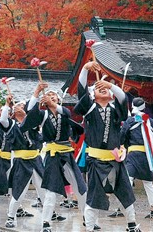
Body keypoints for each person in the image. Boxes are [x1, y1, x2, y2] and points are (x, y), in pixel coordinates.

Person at [74, 60, 140, 232]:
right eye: (97, 88)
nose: (102, 89)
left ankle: (132, 225)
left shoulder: (115, 111)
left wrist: (110, 86)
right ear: (92, 95)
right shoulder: (89, 109)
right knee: (94, 195)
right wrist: (84, 69)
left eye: (104, 88)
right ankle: (89, 227)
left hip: (115, 160)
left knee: (126, 193)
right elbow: (81, 92)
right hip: (95, 160)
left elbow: (123, 97)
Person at [28, 83, 88, 232]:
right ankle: (46, 223)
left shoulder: (64, 112)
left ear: (58, 99)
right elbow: (30, 111)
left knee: (80, 187)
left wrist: (52, 104)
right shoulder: (43, 115)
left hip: (67, 153)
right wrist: (36, 92)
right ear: (44, 100)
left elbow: (67, 113)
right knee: (51, 191)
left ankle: (88, 218)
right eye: (48, 95)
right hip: (52, 155)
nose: (51, 96)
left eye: (54, 95)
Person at [3, 98, 45, 228]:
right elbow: (3, 120)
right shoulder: (11, 125)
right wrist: (6, 105)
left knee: (44, 190)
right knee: (19, 191)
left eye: (22, 105)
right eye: (17, 106)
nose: (19, 107)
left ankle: (48, 217)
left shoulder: (33, 123)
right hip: (21, 161)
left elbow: (33, 113)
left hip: (36, 159)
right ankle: (10, 217)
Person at [120, 97, 153, 220]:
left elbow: (122, 136)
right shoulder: (151, 122)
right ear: (144, 107)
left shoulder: (130, 121)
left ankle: (125, 208)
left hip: (133, 154)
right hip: (146, 156)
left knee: (127, 180)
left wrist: (123, 143)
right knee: (148, 183)